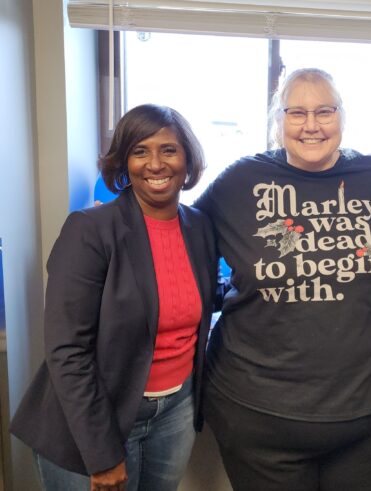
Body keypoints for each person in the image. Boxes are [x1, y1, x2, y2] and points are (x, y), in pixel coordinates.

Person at [194, 68, 371, 491]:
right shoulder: (240, 181)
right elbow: (178, 236)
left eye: (324, 111)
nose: (311, 125)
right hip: (256, 418)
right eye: (296, 112)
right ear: (278, 121)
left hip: (369, 419)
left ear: (342, 118)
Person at [11, 104, 218, 491]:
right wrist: (103, 454)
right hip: (93, 417)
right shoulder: (90, 230)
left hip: (175, 410)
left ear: (187, 158)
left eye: (169, 150)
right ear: (124, 161)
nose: (155, 163)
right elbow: (67, 350)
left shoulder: (199, 227)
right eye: (140, 151)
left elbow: (199, 299)